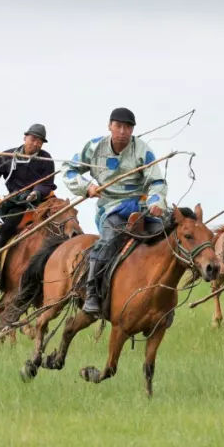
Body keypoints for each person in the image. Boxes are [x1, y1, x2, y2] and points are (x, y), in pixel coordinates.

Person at [63, 107, 167, 316]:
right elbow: (68, 169)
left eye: (127, 127)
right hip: (111, 208)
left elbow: (157, 181)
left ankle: (165, 300)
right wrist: (87, 187)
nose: (122, 131)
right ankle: (92, 293)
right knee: (108, 242)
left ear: (132, 130)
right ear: (109, 126)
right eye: (118, 126)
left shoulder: (142, 150)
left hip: (142, 207)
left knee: (168, 234)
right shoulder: (94, 148)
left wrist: (156, 202)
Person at [0, 124, 57, 276]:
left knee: (62, 219)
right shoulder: (5, 157)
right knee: (10, 224)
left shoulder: (46, 159)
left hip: (41, 201)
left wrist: (36, 193)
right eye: (33, 139)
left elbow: (47, 183)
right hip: (18, 203)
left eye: (40, 141)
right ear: (25, 137)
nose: (36, 143)